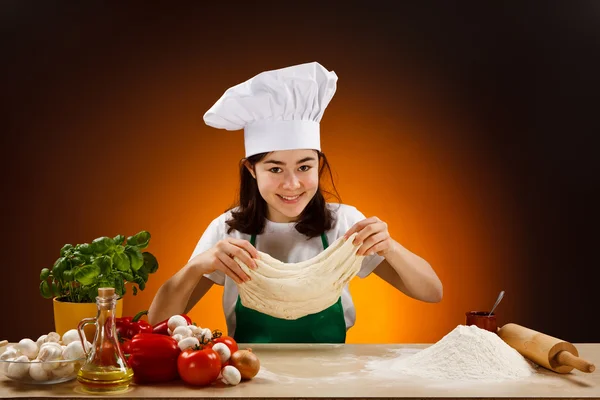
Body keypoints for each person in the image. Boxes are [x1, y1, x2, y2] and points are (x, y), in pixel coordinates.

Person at [148, 61, 443, 343]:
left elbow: (432, 292)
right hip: (251, 377)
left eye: (304, 167)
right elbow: (157, 323)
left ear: (319, 164)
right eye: (275, 169)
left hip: (333, 378)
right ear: (252, 170)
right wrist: (198, 265)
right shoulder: (228, 232)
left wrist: (390, 246)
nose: (292, 184)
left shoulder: (345, 225)